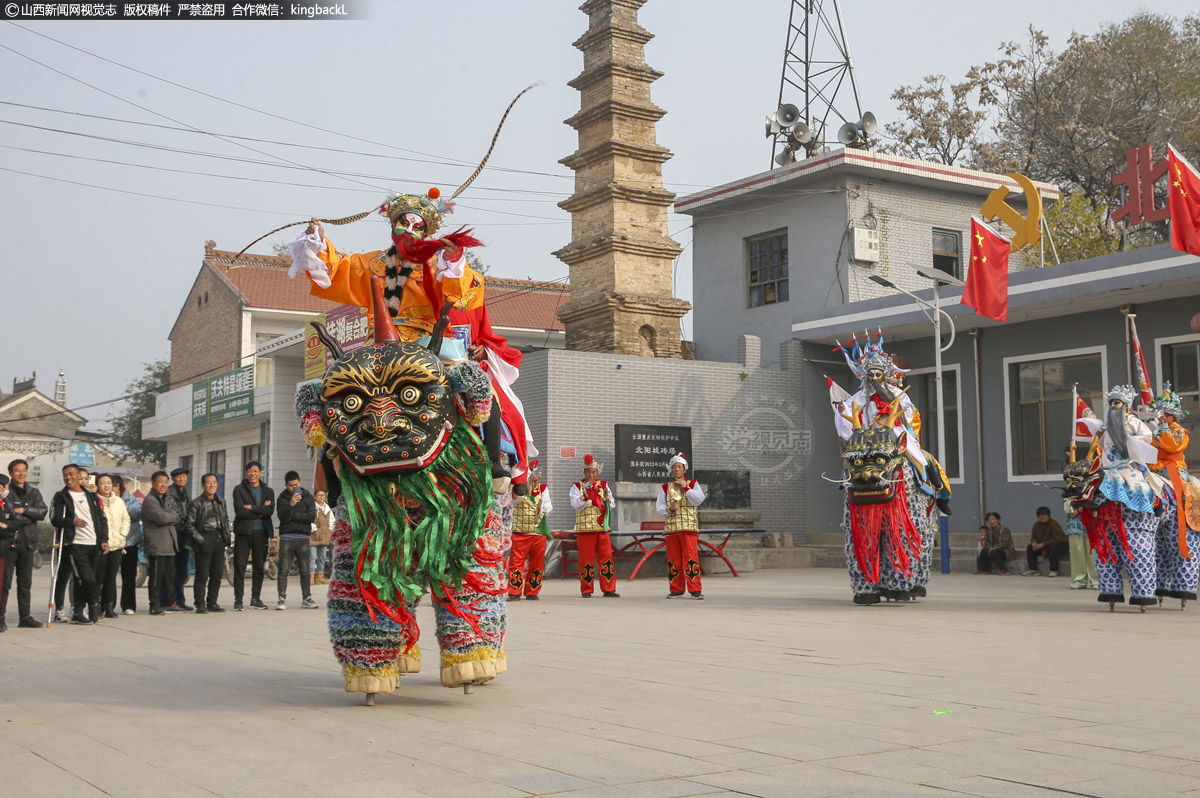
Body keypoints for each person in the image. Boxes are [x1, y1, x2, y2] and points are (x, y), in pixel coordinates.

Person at [290, 194, 535, 488]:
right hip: (378, 347)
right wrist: (317, 242)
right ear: (393, 226)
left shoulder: (437, 263)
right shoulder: (372, 264)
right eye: (403, 223)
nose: (409, 231)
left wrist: (454, 260)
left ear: (426, 233)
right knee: (332, 390)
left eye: (417, 226)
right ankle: (332, 465)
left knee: (478, 382)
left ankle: (494, 461)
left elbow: (464, 294)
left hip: (429, 343)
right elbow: (334, 271)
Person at [1149, 385, 1200, 605]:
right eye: (1162, 414)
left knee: (1187, 496)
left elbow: (1172, 446)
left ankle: (1184, 584)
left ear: (1175, 415)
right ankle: (1158, 582)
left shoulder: (1179, 431)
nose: (1164, 417)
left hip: (1174, 471)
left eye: (1167, 414)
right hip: (1155, 469)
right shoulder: (1157, 429)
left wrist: (1161, 430)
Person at [50, 464, 110, 624]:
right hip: (75, 544)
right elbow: (54, 519)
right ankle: (92, 605)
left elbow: (102, 519)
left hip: (93, 543)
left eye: (71, 474)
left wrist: (104, 540)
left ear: (79, 476)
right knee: (87, 578)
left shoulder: (91, 496)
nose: (68, 477)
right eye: (65, 474)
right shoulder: (61, 496)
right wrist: (72, 521)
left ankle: (78, 611)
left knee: (84, 579)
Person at [2, 459, 47, 629]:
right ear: (11, 473)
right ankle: (1, 617)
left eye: (24, 470)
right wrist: (28, 516)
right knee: (5, 583)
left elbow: (42, 512)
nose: (21, 473)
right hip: (10, 542)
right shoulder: (6, 491)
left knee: (25, 582)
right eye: (17, 470)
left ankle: (25, 616)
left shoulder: (33, 492)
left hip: (28, 542)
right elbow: (9, 514)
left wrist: (24, 510)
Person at [656, 453, 707, 599]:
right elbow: (659, 507)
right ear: (670, 470)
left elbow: (698, 500)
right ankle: (676, 589)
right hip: (672, 529)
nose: (677, 469)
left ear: (685, 469)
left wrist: (686, 488)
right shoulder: (665, 488)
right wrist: (670, 509)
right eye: (674, 467)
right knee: (673, 560)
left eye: (680, 467)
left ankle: (695, 590)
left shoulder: (693, 484)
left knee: (691, 559)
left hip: (688, 528)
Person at [569, 454, 618, 598]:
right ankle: (587, 589)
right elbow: (576, 504)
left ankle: (609, 588)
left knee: (607, 559)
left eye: (594, 472)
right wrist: (587, 497)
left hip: (601, 528)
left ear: (598, 473)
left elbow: (612, 502)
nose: (592, 474)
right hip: (585, 529)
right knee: (586, 560)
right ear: (584, 473)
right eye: (589, 472)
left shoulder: (603, 486)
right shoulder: (577, 486)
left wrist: (606, 502)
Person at [231, 461, 274, 611]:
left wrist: (252, 508)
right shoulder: (239, 490)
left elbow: (270, 511)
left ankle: (256, 598)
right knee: (240, 566)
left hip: (262, 533)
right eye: (250, 471)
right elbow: (239, 511)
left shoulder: (268, 491)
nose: (252, 474)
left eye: (255, 471)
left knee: (258, 566)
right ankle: (238, 599)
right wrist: (261, 510)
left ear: (261, 473)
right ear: (246, 473)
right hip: (244, 532)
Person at [185, 473, 231, 613]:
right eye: (208, 483)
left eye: (214, 482)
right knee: (202, 575)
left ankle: (213, 602)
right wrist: (200, 540)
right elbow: (189, 525)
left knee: (217, 574)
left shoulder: (221, 501)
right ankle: (200, 604)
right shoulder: (196, 503)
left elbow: (225, 520)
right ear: (203, 485)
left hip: (219, 539)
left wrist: (226, 537)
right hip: (204, 539)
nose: (212, 485)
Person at [508, 460, 552, 601]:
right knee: (516, 563)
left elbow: (548, 504)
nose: (535, 483)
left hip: (538, 533)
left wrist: (543, 510)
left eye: (537, 480)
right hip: (520, 533)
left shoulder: (543, 489)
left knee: (537, 564)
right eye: (533, 480)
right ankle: (514, 591)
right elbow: (514, 501)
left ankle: (532, 591)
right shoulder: (518, 489)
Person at [141, 470, 183, 616]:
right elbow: (161, 518)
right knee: (156, 577)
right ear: (153, 483)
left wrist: (170, 516)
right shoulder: (149, 501)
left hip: (170, 543)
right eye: (160, 482)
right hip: (157, 544)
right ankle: (154, 605)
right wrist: (170, 516)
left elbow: (178, 515)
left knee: (169, 575)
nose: (163, 485)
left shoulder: (168, 498)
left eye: (166, 482)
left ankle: (169, 602)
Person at [275, 470, 318, 610]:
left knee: (305, 570)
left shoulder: (307, 496)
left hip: (303, 537)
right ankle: (281, 599)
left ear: (300, 482)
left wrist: (294, 516)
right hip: (287, 537)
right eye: (290, 485)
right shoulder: (282, 498)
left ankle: (306, 598)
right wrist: (291, 505)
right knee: (283, 570)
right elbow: (283, 518)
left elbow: (311, 516)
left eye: (296, 484)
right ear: (286, 485)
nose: (294, 488)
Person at [95, 474, 129, 619]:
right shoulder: (94, 501)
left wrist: (122, 535)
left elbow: (126, 518)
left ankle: (109, 606)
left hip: (117, 544)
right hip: (101, 545)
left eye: (109, 483)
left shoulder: (119, 501)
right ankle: (95, 606)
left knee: (111, 577)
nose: (106, 486)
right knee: (99, 577)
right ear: (97, 485)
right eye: (102, 483)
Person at [116, 476, 142, 614]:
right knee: (107, 576)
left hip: (129, 542)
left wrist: (125, 506)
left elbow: (138, 515)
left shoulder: (129, 499)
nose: (110, 487)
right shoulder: (101, 499)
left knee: (129, 575)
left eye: (114, 485)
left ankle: (128, 605)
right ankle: (106, 605)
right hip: (111, 543)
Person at [168, 467, 192, 611]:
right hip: (173, 533)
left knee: (182, 569)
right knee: (172, 569)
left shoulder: (185, 493)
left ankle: (180, 599)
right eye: (179, 477)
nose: (182, 479)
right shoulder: (169, 493)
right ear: (173, 478)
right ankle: (171, 600)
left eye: (184, 476)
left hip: (185, 533)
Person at [1024, 506, 1069, 577]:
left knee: (1053, 547)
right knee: (1030, 547)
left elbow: (1056, 539)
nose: (1042, 517)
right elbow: (1034, 537)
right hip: (1044, 546)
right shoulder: (1036, 525)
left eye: (1044, 515)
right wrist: (1034, 543)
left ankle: (1054, 570)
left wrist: (1043, 544)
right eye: (1040, 515)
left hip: (1060, 545)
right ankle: (1033, 570)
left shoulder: (1054, 524)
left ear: (1048, 515)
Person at [1064, 503, 1099, 589]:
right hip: (1075, 524)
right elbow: (1067, 504)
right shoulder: (1071, 490)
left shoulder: (1095, 490)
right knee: (1077, 553)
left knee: (1093, 554)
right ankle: (1078, 580)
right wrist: (1074, 509)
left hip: (1092, 522)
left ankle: (1097, 580)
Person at [310, 489, 333, 585]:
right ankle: (310, 577)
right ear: (315, 497)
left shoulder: (327, 508)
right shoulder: (312, 507)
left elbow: (332, 520)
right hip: (314, 536)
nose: (321, 497)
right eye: (319, 495)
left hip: (324, 536)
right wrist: (315, 529)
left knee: (322, 556)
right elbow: (309, 519)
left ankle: (319, 576)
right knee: (312, 556)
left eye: (323, 495)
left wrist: (330, 530)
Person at [0, 475, 13, 631]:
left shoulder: (6, 504)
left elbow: (16, 521)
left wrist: (6, 526)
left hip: (4, 549)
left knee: (4, 584)